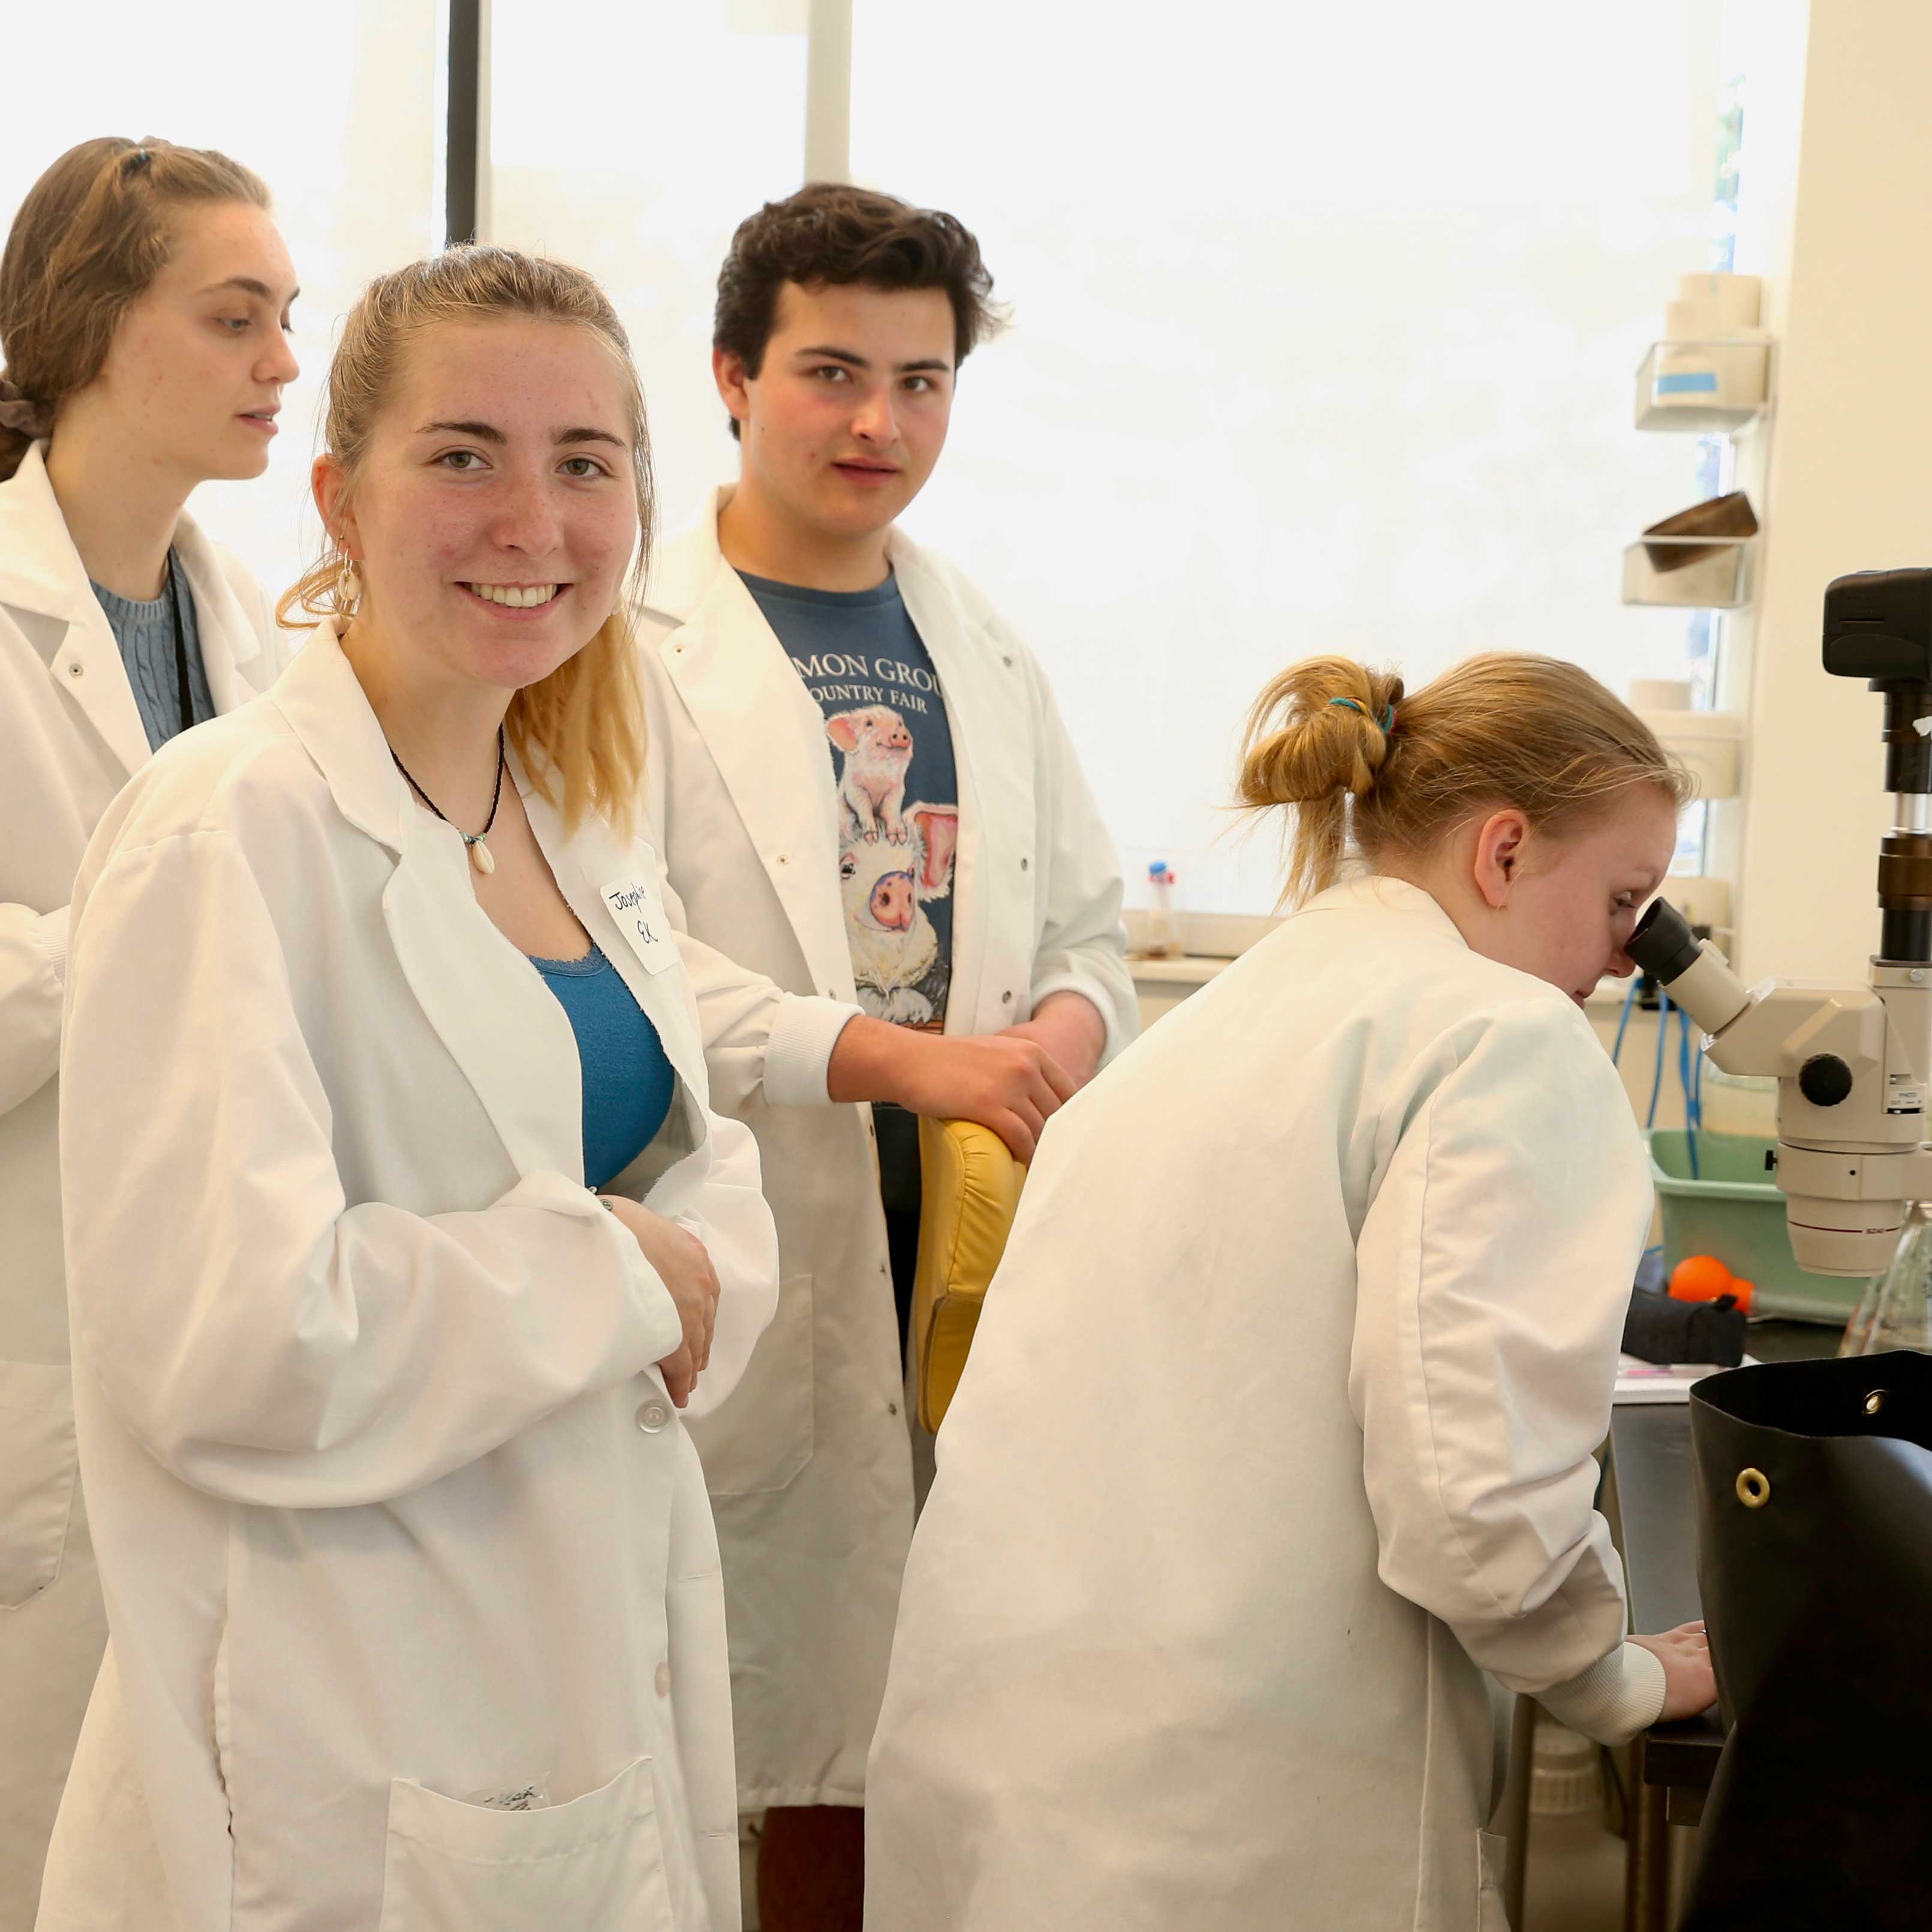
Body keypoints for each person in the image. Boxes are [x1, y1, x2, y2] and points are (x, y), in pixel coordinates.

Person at [38, 246, 778, 1932]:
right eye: (462, 455)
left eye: (585, 463)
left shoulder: (571, 808)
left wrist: (671, 1259)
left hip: (579, 1633)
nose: (533, 518)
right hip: (350, 1695)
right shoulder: (232, 822)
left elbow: (702, 1177)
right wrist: (609, 1272)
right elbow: (235, 1343)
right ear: (339, 499)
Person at [865, 652, 1719, 1932]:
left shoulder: (1201, 1033)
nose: (1621, 958)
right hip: (1243, 1814)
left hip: (1009, 1779)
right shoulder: (1500, 1036)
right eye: (1622, 901)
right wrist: (1612, 1680)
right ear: (1502, 852)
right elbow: (1473, 1499)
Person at [632, 182, 1136, 1925]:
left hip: (957, 1234)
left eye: (920, 381)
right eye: (831, 371)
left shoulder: (976, 644)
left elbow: (1082, 926)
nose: (878, 422)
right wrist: (887, 1058)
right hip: (740, 1223)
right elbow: (606, 957)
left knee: (918, 1710)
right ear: (727, 375)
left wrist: (1057, 1031)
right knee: (729, 1723)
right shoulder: (625, 638)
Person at [0, 136, 299, 1932]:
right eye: (234, 316)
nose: (281, 362)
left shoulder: (245, 625)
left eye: (287, 318)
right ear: (100, 329)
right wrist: (141, 927)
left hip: (208, 1335)